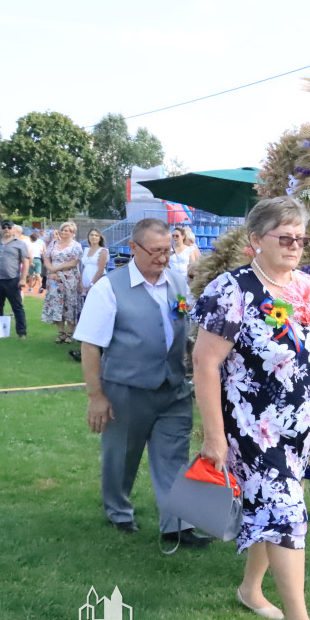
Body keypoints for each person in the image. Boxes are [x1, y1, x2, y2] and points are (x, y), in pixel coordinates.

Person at [191, 197, 310, 620]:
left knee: (268, 512)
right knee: (287, 513)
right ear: (256, 241)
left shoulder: (308, 287)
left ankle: (251, 589)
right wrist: (215, 436)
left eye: (300, 238)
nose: (295, 245)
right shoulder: (233, 290)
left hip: (298, 427)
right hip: (251, 428)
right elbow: (205, 363)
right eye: (284, 237)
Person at [73, 218, 210, 547]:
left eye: (168, 250)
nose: (163, 258)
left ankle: (178, 525)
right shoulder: (110, 288)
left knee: (174, 456)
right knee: (122, 455)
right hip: (126, 389)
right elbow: (91, 345)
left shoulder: (179, 283)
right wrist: (96, 396)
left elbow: (190, 327)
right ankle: (118, 511)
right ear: (133, 248)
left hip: (173, 389)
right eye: (155, 251)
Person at [0, 219, 30, 338]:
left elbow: (25, 262)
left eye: (9, 228)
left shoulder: (19, 244)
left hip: (12, 279)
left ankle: (21, 332)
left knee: (17, 307)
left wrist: (23, 278)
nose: (6, 230)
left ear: (13, 229)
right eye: (4, 228)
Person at [41, 221, 84, 344]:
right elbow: (47, 258)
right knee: (56, 303)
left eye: (67, 231)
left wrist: (57, 268)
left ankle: (70, 333)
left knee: (70, 304)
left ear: (72, 232)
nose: (64, 232)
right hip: (54, 279)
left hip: (70, 279)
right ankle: (61, 333)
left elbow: (74, 262)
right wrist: (51, 270)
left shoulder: (76, 246)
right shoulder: (54, 243)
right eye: (63, 230)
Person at [81, 229, 109, 296]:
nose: (93, 237)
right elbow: (83, 267)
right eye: (92, 235)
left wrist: (92, 284)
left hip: (96, 282)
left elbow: (100, 270)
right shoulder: (86, 250)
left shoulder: (102, 251)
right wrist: (81, 284)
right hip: (85, 283)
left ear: (100, 238)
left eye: (96, 235)